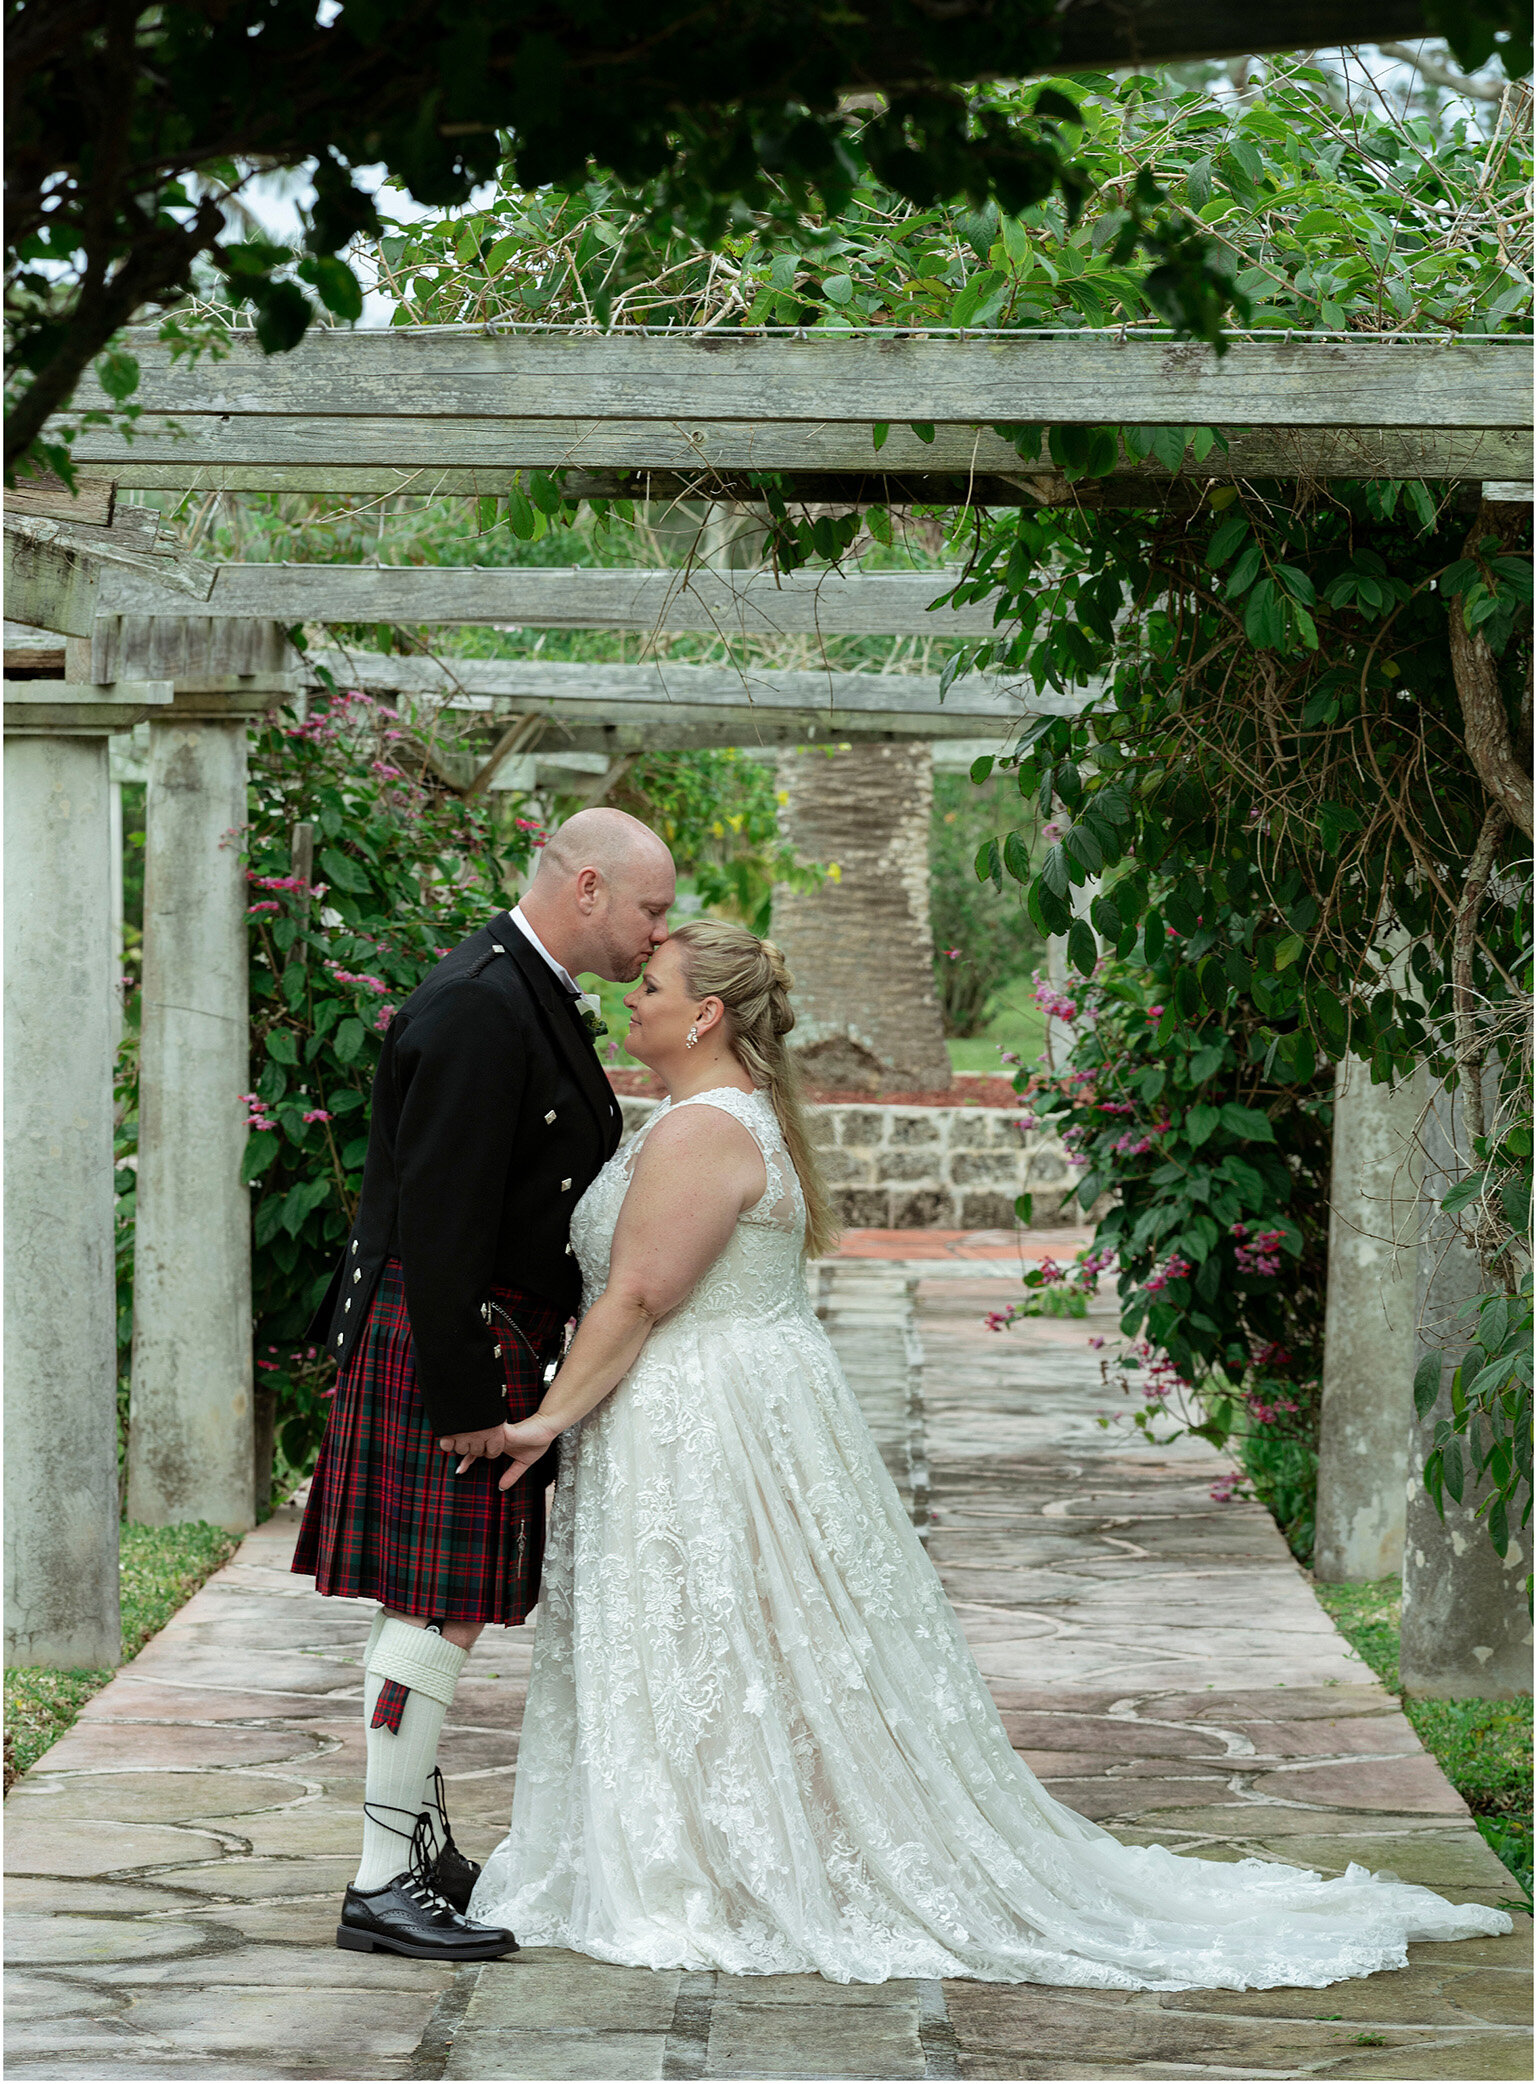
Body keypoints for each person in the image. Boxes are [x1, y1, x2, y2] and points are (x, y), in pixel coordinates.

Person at [461, 919, 1512, 1987]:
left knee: (729, 1633)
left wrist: (546, 1418)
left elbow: (641, 1292)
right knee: (731, 1642)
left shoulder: (701, 1131)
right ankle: (718, 1842)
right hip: (723, 1399)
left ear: (706, 1013)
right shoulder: (704, 1115)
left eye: (649, 985)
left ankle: (721, 1861)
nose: (628, 999)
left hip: (702, 1409)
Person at [293, 807, 675, 1961]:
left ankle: (409, 1841)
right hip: (447, 1339)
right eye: (652, 909)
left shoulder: (525, 987)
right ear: (591, 886)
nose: (659, 935)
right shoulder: (479, 1001)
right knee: (434, 1605)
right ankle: (377, 1881)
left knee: (441, 1604)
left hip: (474, 1330)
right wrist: (470, 1404)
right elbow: (441, 1221)